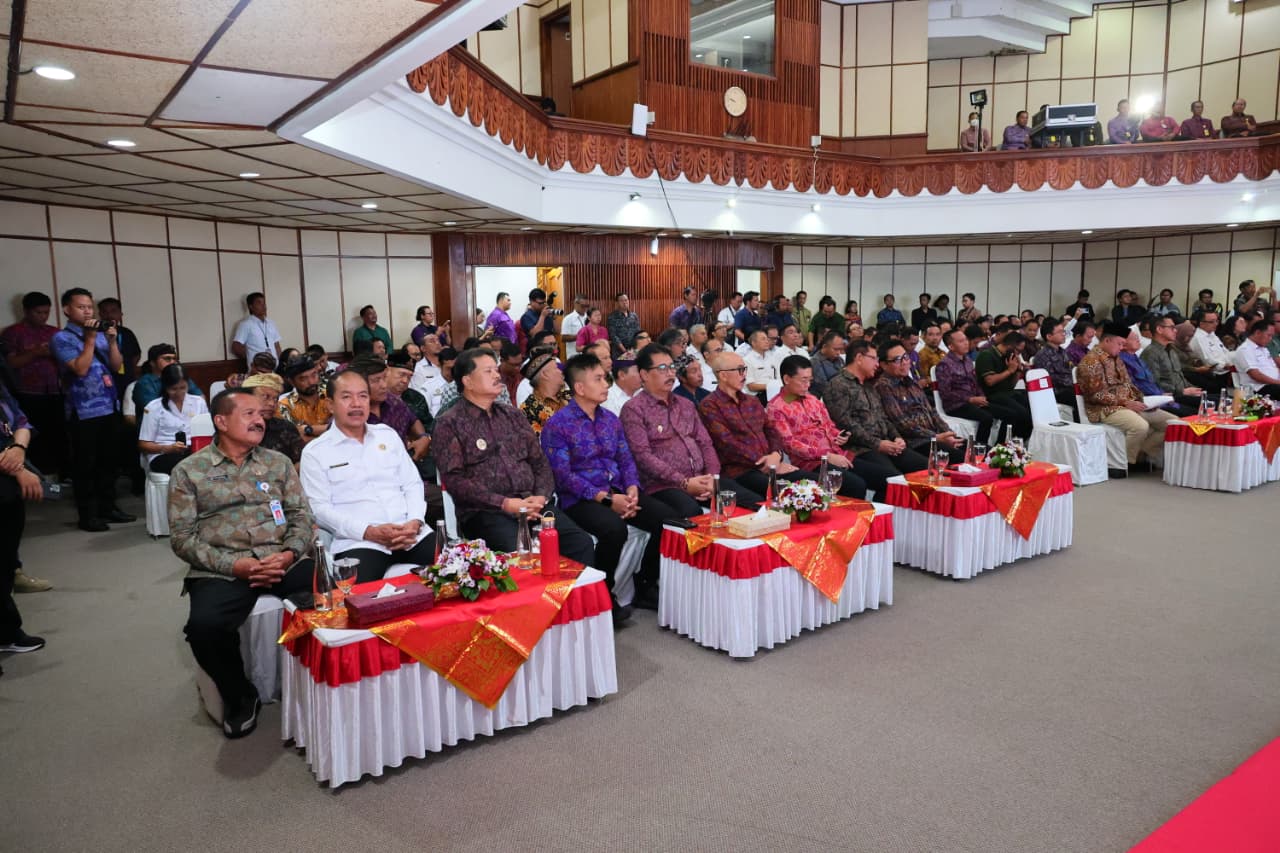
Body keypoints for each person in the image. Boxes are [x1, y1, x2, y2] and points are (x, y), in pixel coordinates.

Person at [170, 388, 314, 738]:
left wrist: (290, 553)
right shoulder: (189, 471)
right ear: (221, 421)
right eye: (248, 413)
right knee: (204, 629)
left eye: (260, 414)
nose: (259, 419)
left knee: (335, 597)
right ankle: (239, 695)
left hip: (284, 559)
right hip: (224, 568)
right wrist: (236, 566)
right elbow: (183, 538)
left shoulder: (277, 463)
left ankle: (322, 686)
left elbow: (302, 517)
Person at [542, 353, 678, 616]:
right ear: (580, 388)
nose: (606, 384)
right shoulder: (558, 425)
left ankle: (646, 582)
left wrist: (632, 490)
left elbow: (626, 459)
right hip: (579, 499)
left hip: (618, 491)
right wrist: (606, 499)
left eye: (605, 378)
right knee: (614, 529)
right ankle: (604, 594)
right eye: (599, 379)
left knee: (667, 519)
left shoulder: (609, 419)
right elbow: (564, 477)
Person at [433, 348, 594, 563]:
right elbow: (455, 481)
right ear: (468, 381)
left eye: (496, 369)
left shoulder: (513, 415)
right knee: (522, 555)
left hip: (533, 504)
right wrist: (505, 503)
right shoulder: (449, 423)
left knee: (579, 543)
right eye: (488, 371)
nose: (497, 375)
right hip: (487, 513)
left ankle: (568, 597)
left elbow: (539, 462)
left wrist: (541, 496)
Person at [300, 369, 433, 581]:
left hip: (410, 534)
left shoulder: (386, 435)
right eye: (346, 397)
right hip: (360, 541)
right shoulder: (316, 452)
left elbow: (412, 484)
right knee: (357, 599)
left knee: (458, 570)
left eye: (362, 396)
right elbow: (319, 509)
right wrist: (369, 531)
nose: (356, 403)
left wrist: (415, 521)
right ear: (330, 405)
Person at [621, 345, 761, 517]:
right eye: (663, 368)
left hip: (703, 479)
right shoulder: (634, 409)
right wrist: (684, 483)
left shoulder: (685, 405)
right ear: (644, 375)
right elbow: (642, 456)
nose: (670, 373)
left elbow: (705, 443)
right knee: (691, 512)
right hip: (663, 485)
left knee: (754, 502)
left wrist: (711, 478)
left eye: (672, 367)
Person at [51, 288, 134, 532]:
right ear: (67, 309)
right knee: (85, 464)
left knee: (108, 462)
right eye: (81, 307)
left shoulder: (99, 335)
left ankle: (109, 507)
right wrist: (89, 339)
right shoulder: (61, 338)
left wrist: (110, 341)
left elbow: (117, 366)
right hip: (83, 411)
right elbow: (80, 369)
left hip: (109, 405)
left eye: (89, 307)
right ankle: (88, 515)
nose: (87, 311)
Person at [822, 340, 927, 497]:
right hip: (860, 449)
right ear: (859, 358)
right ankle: (882, 518)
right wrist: (877, 444)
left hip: (885, 443)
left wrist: (896, 437)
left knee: (925, 467)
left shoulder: (869, 385)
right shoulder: (838, 385)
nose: (877, 364)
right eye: (874, 359)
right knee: (894, 480)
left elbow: (883, 418)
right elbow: (846, 424)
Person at [764, 356, 870, 497]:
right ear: (787, 379)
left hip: (837, 453)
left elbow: (828, 425)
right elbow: (790, 444)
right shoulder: (776, 407)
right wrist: (826, 456)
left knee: (882, 476)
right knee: (856, 485)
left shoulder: (812, 399)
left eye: (810, 380)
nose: (808, 385)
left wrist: (837, 435)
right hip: (811, 462)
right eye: (803, 380)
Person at [1077, 323, 1177, 469]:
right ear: (1107, 341)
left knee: (1172, 424)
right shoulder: (1091, 362)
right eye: (1119, 344)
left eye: (1123, 344)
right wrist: (1126, 402)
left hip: (1128, 404)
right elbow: (1095, 394)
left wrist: (1145, 401)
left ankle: (1141, 454)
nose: (1122, 348)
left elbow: (1129, 385)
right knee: (1140, 426)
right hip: (1104, 409)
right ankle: (1124, 463)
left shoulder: (1116, 359)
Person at [0, 384, 48, 671]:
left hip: (6, 483)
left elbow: (20, 421)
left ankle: (6, 632)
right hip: (8, 473)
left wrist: (18, 449)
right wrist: (17, 467)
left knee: (5, 563)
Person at [2, 291, 66, 480]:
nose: (43, 316)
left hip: (55, 391)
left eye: (46, 312)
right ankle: (33, 475)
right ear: (27, 311)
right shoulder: (13, 333)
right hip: (26, 393)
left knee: (57, 435)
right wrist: (36, 352)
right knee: (32, 435)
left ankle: (58, 475)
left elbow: (67, 360)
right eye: (39, 312)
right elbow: (10, 364)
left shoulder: (55, 332)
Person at [874, 342, 965, 462]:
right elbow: (902, 423)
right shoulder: (884, 386)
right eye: (897, 360)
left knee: (980, 450)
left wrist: (948, 434)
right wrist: (936, 437)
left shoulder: (912, 383)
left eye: (906, 357)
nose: (905, 362)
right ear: (884, 365)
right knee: (963, 457)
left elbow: (932, 412)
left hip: (936, 436)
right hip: (917, 442)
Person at [933, 328, 1002, 445]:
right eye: (961, 341)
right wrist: (970, 399)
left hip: (973, 401)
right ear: (951, 346)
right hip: (956, 405)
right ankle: (979, 449)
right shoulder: (944, 365)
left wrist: (981, 396)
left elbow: (975, 382)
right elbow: (946, 393)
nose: (966, 343)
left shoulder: (968, 360)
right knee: (987, 418)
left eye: (966, 340)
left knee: (1006, 412)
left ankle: (1000, 446)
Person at [137, 364, 206, 475]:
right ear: (165, 387)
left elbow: (206, 433)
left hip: (194, 450)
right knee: (188, 465)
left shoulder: (198, 402)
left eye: (183, 388)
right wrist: (168, 448)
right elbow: (144, 444)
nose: (179, 393)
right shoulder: (153, 407)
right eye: (174, 389)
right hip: (163, 454)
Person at [1119, 330, 1195, 417]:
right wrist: (1160, 396)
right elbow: (1136, 387)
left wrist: (1162, 394)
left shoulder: (1136, 358)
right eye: (1134, 338)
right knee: (1194, 415)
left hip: (1163, 398)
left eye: (1137, 337)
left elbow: (1152, 382)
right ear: (1123, 344)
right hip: (1151, 403)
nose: (1138, 340)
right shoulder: (1123, 362)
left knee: (1199, 410)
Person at [974, 331, 1034, 438]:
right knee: (1020, 413)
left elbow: (1010, 386)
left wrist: (1018, 370)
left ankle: (1021, 439)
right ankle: (1003, 444)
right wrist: (1009, 371)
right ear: (1011, 346)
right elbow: (990, 381)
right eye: (1018, 351)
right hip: (991, 395)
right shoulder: (987, 355)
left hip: (1006, 393)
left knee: (1031, 402)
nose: (1018, 355)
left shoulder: (1008, 357)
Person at [1141, 316, 1205, 410]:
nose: (1175, 331)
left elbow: (1180, 376)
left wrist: (1194, 389)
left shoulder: (1171, 350)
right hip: (1171, 397)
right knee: (1210, 405)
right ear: (1159, 329)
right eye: (1172, 328)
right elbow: (1155, 383)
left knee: (1215, 398)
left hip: (1183, 393)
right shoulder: (1150, 353)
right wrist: (1182, 391)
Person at [241, 373, 303, 464]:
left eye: (275, 399)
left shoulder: (286, 428)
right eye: (266, 397)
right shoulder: (232, 430)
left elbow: (302, 462)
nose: (272, 404)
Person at [133, 344, 205, 411]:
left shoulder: (181, 377)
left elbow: (200, 399)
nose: (172, 362)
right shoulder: (145, 383)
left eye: (174, 359)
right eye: (167, 359)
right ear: (152, 363)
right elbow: (153, 409)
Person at [278, 356, 333, 443]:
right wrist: (330, 431)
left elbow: (345, 427)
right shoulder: (285, 405)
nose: (311, 382)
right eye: (303, 379)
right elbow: (296, 439)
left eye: (314, 374)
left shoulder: (331, 394)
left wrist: (308, 429)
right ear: (291, 382)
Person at [96, 297, 141, 395]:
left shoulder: (127, 333)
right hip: (103, 382)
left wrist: (127, 367)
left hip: (126, 380)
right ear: (100, 315)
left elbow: (136, 355)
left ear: (120, 314)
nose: (109, 315)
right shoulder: (94, 334)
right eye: (105, 312)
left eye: (113, 311)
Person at [520, 349, 570, 434]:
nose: (561, 371)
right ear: (545, 375)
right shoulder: (528, 409)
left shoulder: (569, 395)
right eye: (556, 368)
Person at [1031, 319, 1078, 409]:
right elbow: (1050, 379)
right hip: (1055, 392)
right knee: (1077, 397)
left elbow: (1071, 369)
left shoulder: (1063, 352)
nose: (1063, 334)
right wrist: (1072, 382)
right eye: (1060, 332)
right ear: (1049, 336)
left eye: (1063, 331)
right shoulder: (1043, 355)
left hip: (1068, 387)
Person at [230, 292, 282, 367]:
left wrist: (280, 363)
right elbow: (236, 347)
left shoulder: (271, 323)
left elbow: (277, 345)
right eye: (259, 303)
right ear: (251, 306)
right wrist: (251, 358)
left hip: (274, 369)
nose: (263, 306)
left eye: (264, 303)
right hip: (258, 371)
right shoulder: (245, 324)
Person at [385, 350, 433, 430]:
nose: (405, 381)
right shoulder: (376, 396)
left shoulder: (416, 398)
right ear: (387, 371)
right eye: (402, 374)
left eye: (409, 377)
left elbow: (429, 427)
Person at [1233, 319, 1280, 399]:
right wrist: (1277, 382)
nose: (1270, 339)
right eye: (1269, 335)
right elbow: (1256, 375)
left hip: (1272, 385)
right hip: (1257, 388)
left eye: (1272, 336)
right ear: (1257, 333)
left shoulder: (1264, 349)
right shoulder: (1245, 350)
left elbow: (1274, 368)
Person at [1188, 310, 1233, 378]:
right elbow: (1208, 361)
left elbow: (1225, 352)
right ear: (1201, 323)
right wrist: (1225, 366)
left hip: (1226, 371)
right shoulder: (1198, 338)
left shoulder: (1212, 334)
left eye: (1216, 321)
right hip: (1212, 375)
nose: (1216, 324)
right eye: (1212, 322)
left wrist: (1232, 362)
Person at [742, 330, 779, 396]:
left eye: (767, 339)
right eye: (763, 339)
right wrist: (772, 386)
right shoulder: (747, 360)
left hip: (774, 392)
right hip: (757, 396)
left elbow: (777, 377)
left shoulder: (772, 357)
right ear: (754, 343)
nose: (767, 341)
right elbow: (751, 386)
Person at [810, 331, 847, 398]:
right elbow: (823, 387)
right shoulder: (815, 362)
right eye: (835, 349)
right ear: (824, 347)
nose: (838, 353)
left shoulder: (839, 359)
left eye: (840, 349)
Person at [916, 323, 947, 389]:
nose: (935, 338)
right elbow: (925, 378)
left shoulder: (943, 353)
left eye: (938, 334)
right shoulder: (922, 355)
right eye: (930, 334)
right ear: (924, 337)